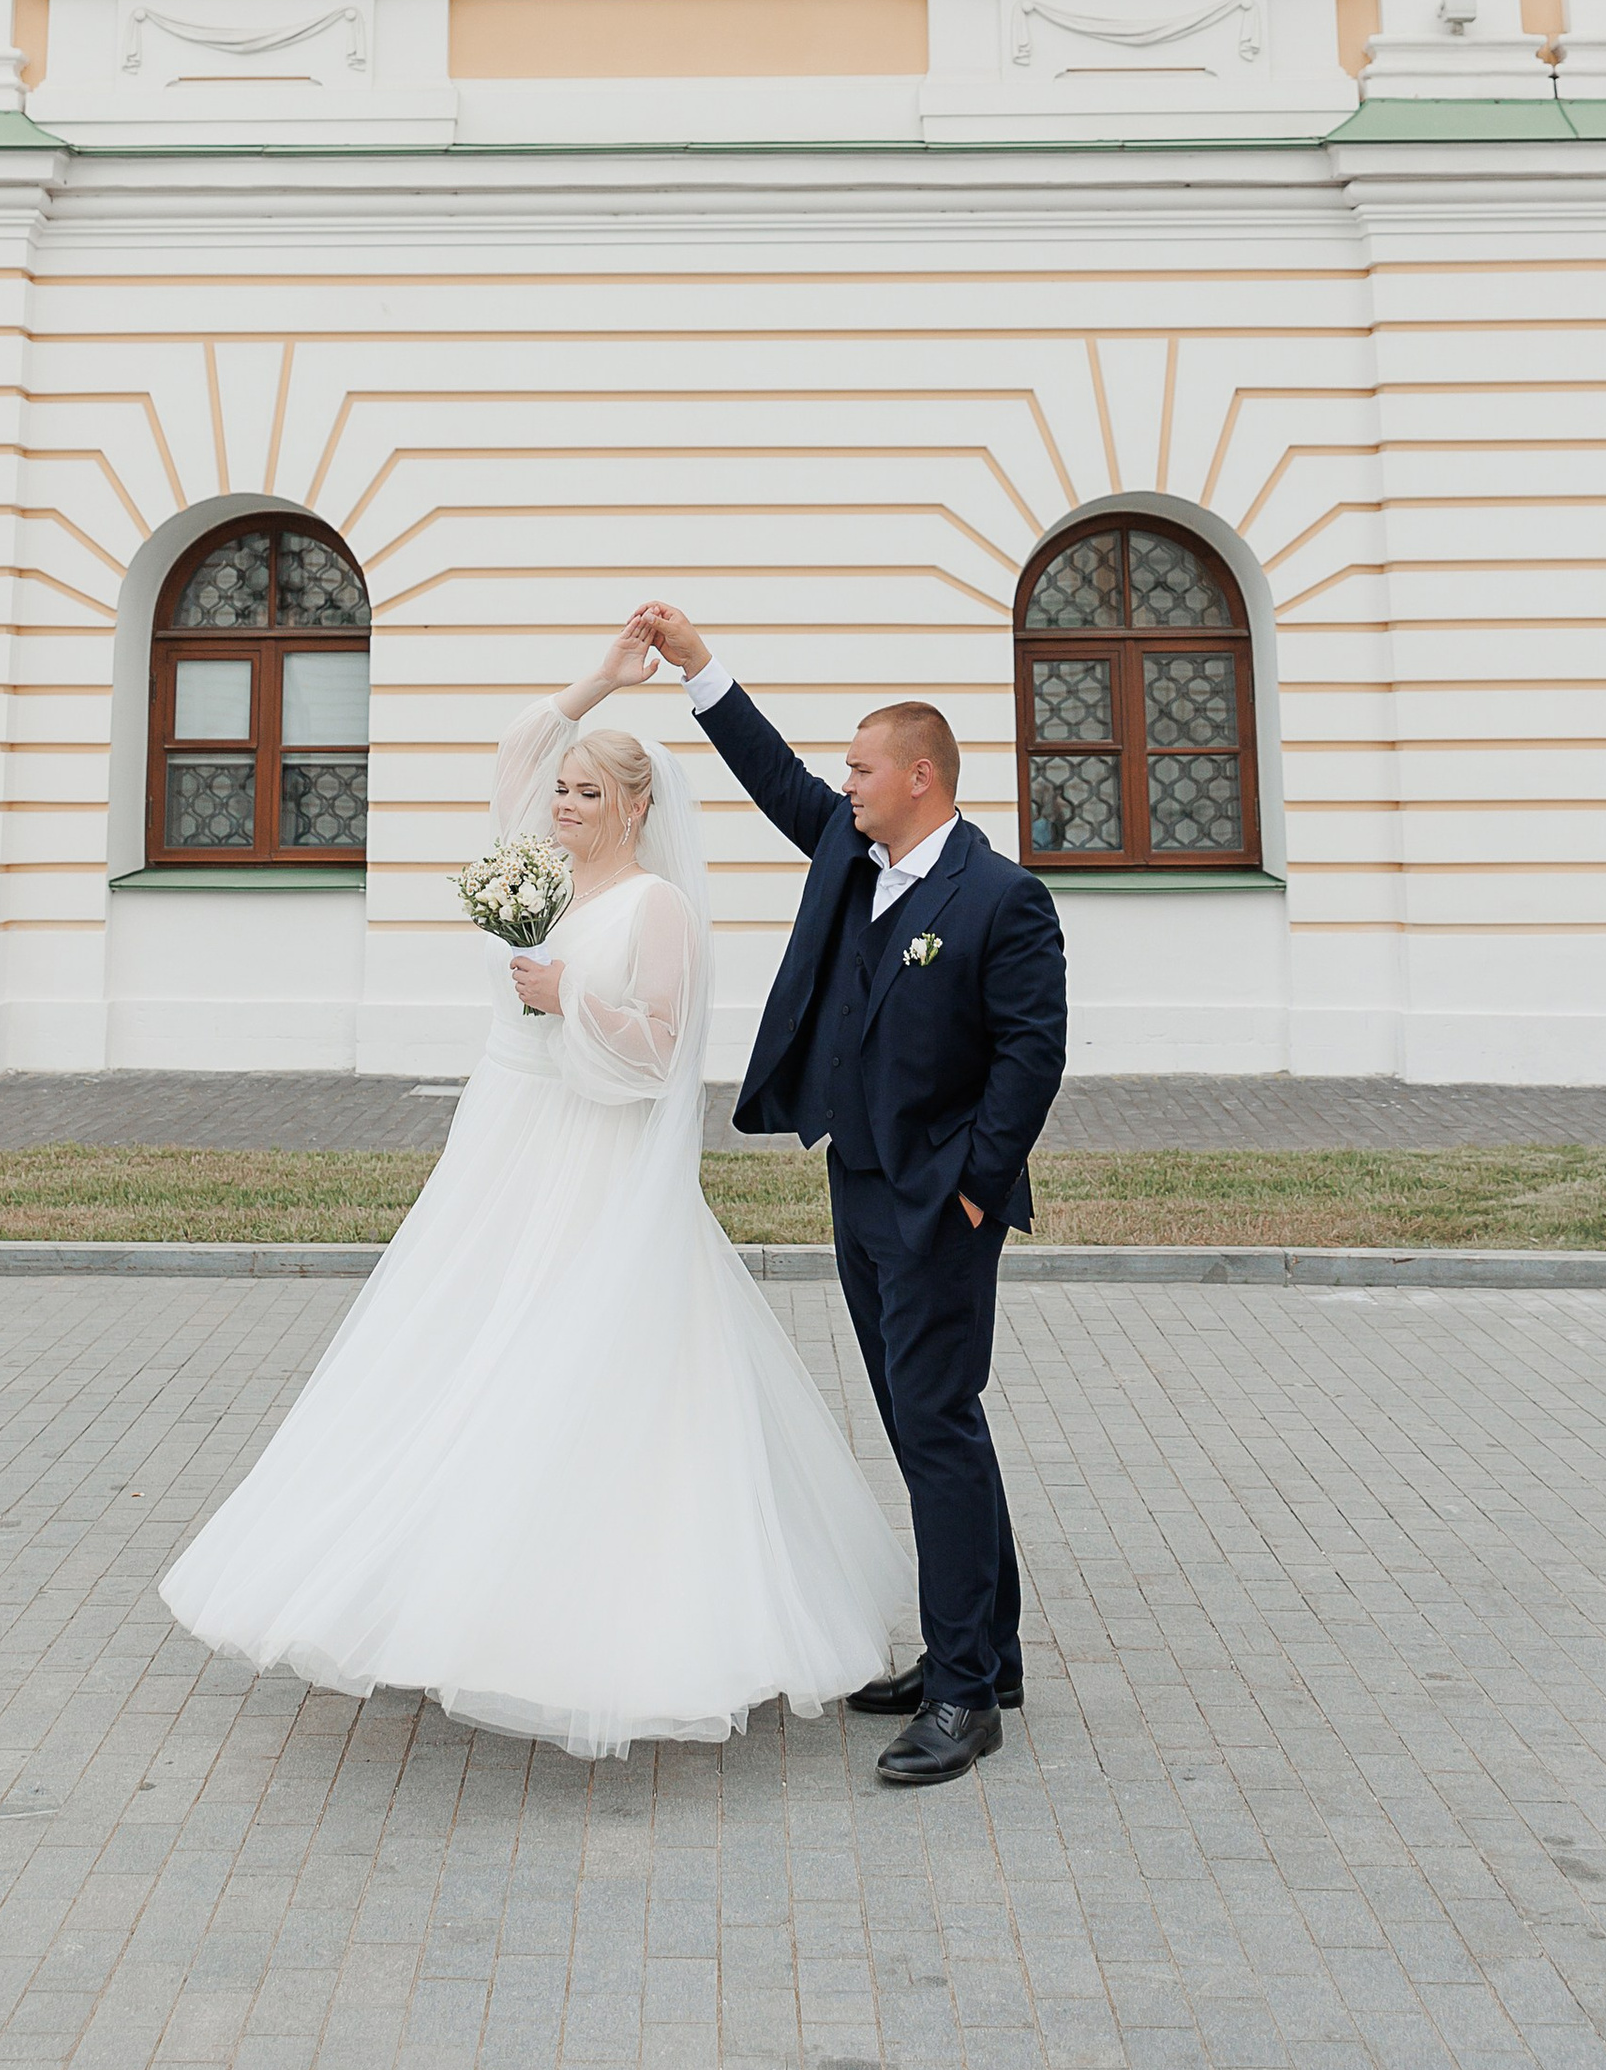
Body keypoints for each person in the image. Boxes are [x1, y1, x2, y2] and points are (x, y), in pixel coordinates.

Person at [159, 631, 905, 1760]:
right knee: (452, 1347)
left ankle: (583, 1620)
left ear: (633, 806)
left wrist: (569, 1001)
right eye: (560, 787)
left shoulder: (657, 908)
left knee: (574, 1362)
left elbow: (659, 1051)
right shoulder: (535, 871)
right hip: (501, 1143)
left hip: (592, 1156)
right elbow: (517, 744)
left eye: (585, 790)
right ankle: (419, 1589)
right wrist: (604, 676)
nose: (561, 801)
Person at [627, 604, 1067, 1790]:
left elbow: (1031, 1056)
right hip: (857, 1185)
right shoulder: (849, 851)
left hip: (940, 1203)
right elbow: (772, 775)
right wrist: (698, 667)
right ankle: (989, 1650)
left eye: (863, 767)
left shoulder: (1001, 898)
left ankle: (964, 1692)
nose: (845, 782)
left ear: (920, 777)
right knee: (927, 1425)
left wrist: (975, 1192)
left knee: (935, 1423)